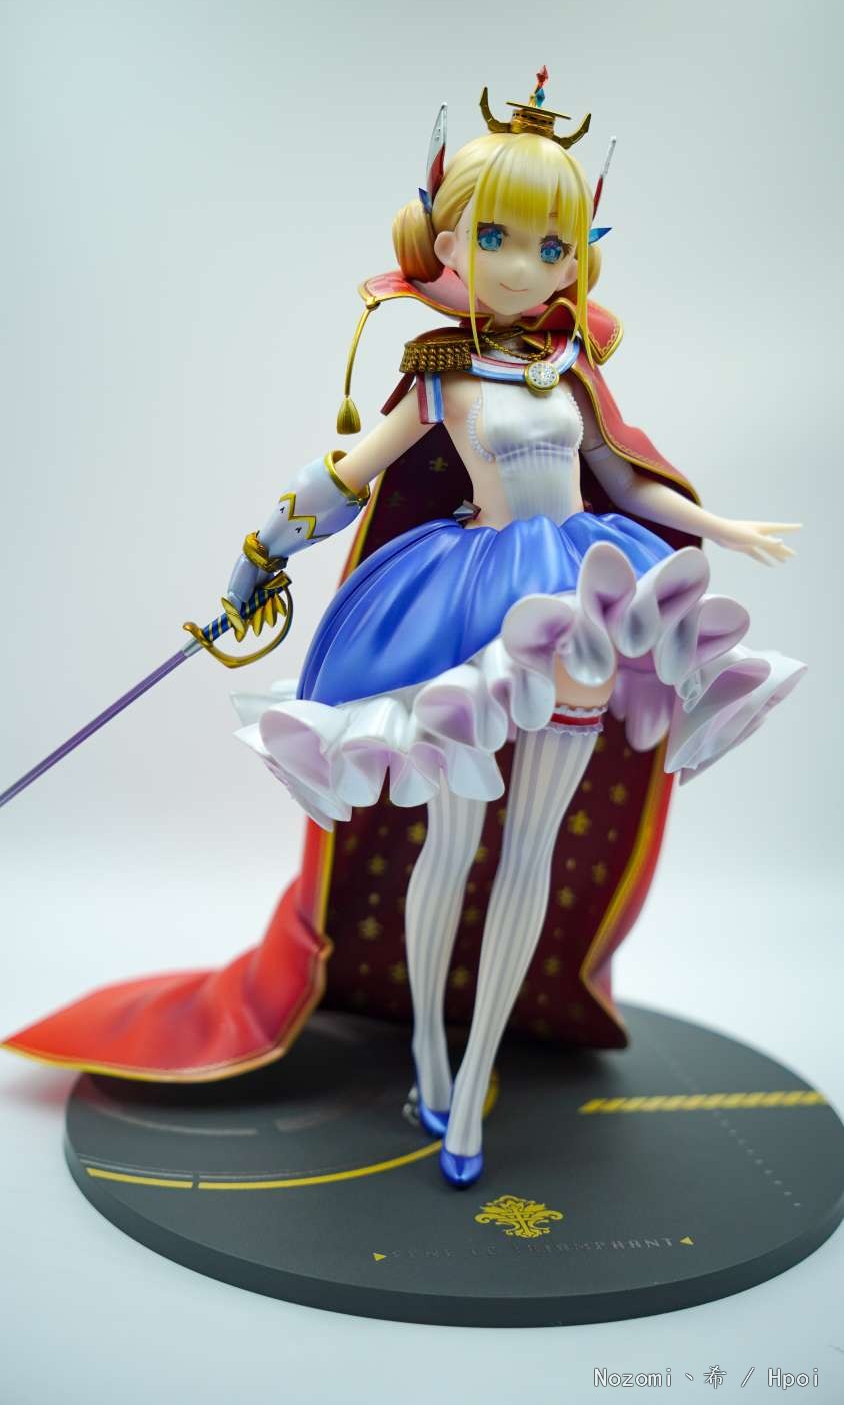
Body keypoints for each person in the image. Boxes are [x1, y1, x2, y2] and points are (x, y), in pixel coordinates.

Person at [3, 75, 806, 1189]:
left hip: (582, 601)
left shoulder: (573, 370)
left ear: (578, 257)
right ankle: (431, 1046)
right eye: (495, 237)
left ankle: (472, 1081)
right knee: (453, 841)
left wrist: (721, 526)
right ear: (446, 239)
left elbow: (625, 479)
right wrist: (260, 552)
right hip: (469, 606)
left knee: (533, 848)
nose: (522, 266)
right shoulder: (438, 374)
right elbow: (345, 474)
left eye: (551, 246)